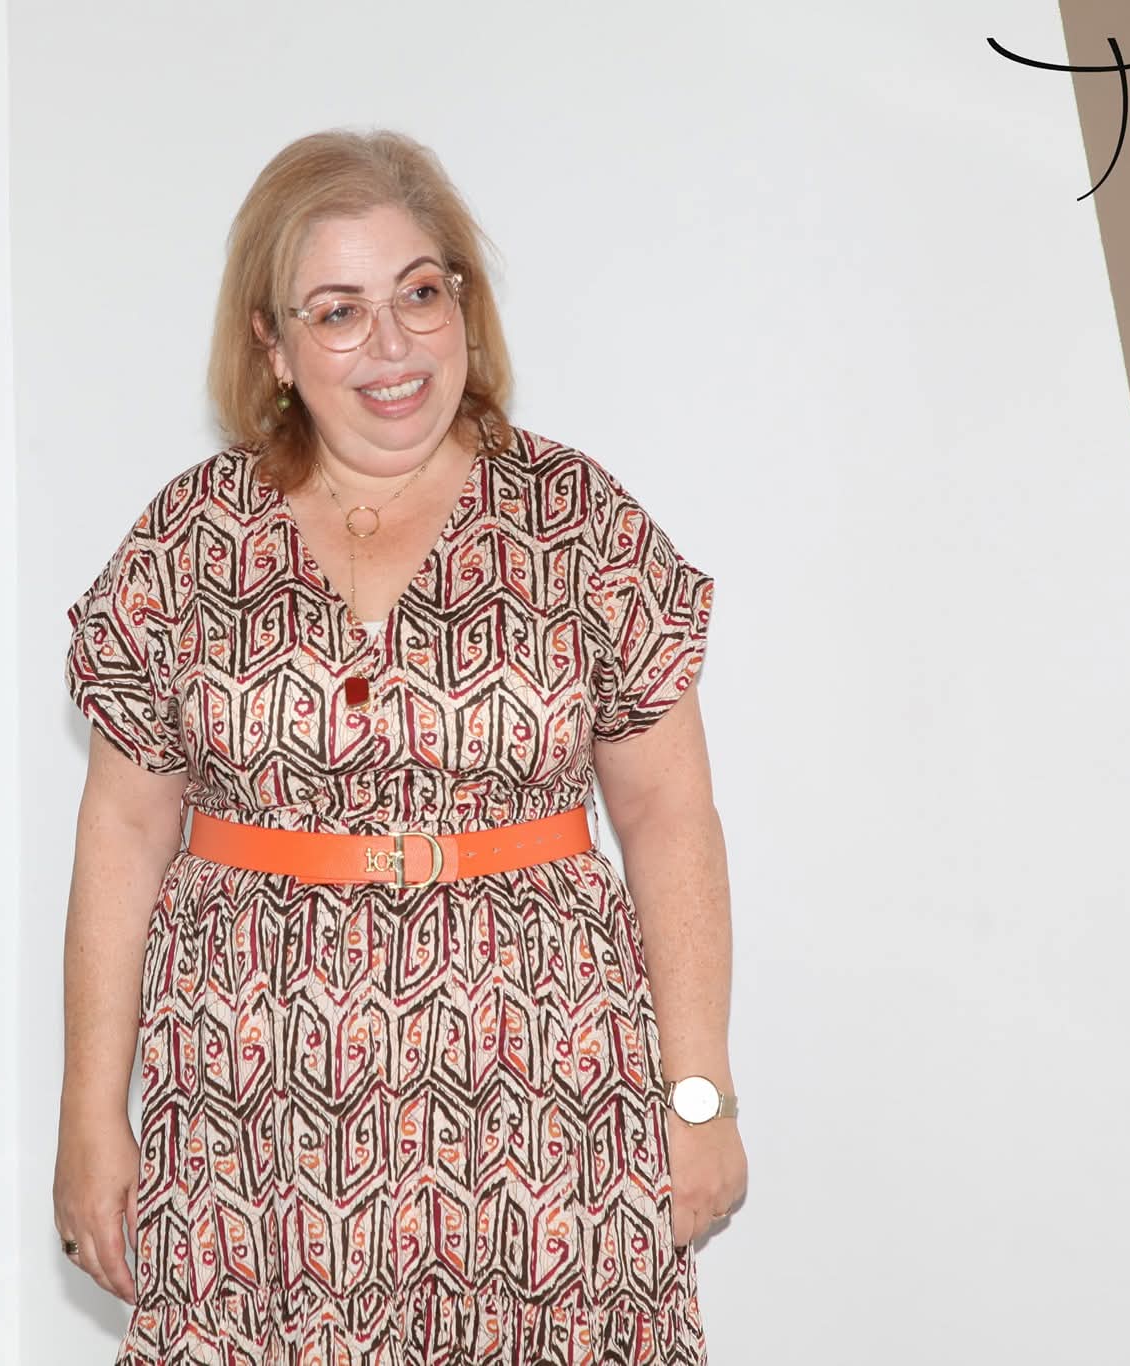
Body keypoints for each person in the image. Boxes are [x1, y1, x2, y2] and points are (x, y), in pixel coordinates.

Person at [54, 127, 745, 1365]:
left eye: (419, 293)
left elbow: (668, 818)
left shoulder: (576, 522)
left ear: (462, 306)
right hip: (250, 1126)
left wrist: (697, 1096)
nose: (391, 344)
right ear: (270, 345)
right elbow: (121, 829)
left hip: (543, 1113)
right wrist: (88, 1113)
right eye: (337, 311)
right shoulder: (188, 542)